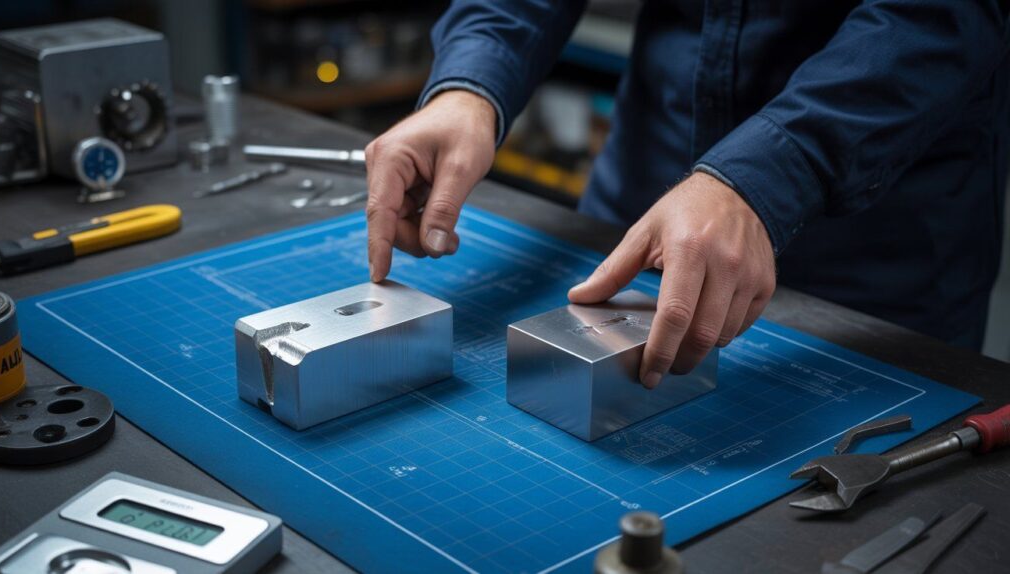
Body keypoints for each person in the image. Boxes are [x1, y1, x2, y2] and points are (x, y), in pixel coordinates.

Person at [364, 1, 1010, 387]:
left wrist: (767, 176)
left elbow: (937, 18)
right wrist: (471, 82)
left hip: (879, 232)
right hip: (647, 182)